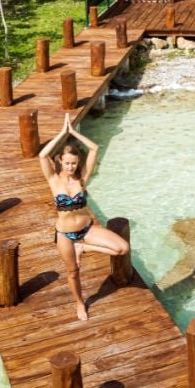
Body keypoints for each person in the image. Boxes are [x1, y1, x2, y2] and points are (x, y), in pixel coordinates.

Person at [39, 113, 129, 321]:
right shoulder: (53, 180)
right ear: (60, 161)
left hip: (87, 230)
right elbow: (42, 156)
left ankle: (84, 247)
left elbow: (95, 149)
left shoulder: (82, 179)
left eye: (74, 163)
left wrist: (74, 133)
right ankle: (80, 303)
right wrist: (63, 133)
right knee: (73, 272)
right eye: (67, 163)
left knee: (122, 248)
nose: (70, 167)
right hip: (65, 234)